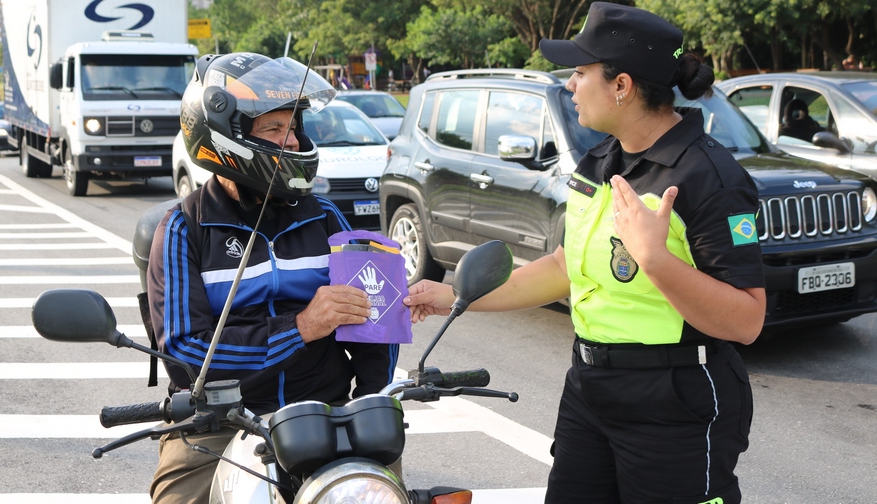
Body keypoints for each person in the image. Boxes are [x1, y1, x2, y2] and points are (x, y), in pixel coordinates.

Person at [403, 3, 765, 503]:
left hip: (675, 403)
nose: (569, 84)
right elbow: (563, 267)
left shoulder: (708, 178)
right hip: (590, 389)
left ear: (622, 86)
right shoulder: (599, 161)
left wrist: (656, 261)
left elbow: (747, 319)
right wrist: (454, 296)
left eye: (579, 71)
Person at [146, 52, 398, 503]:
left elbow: (370, 322)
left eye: (294, 128)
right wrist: (301, 328)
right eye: (275, 129)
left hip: (324, 415)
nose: (295, 142)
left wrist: (374, 396)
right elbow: (186, 351)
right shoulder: (184, 229)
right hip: (219, 425)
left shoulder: (326, 219)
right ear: (225, 136)